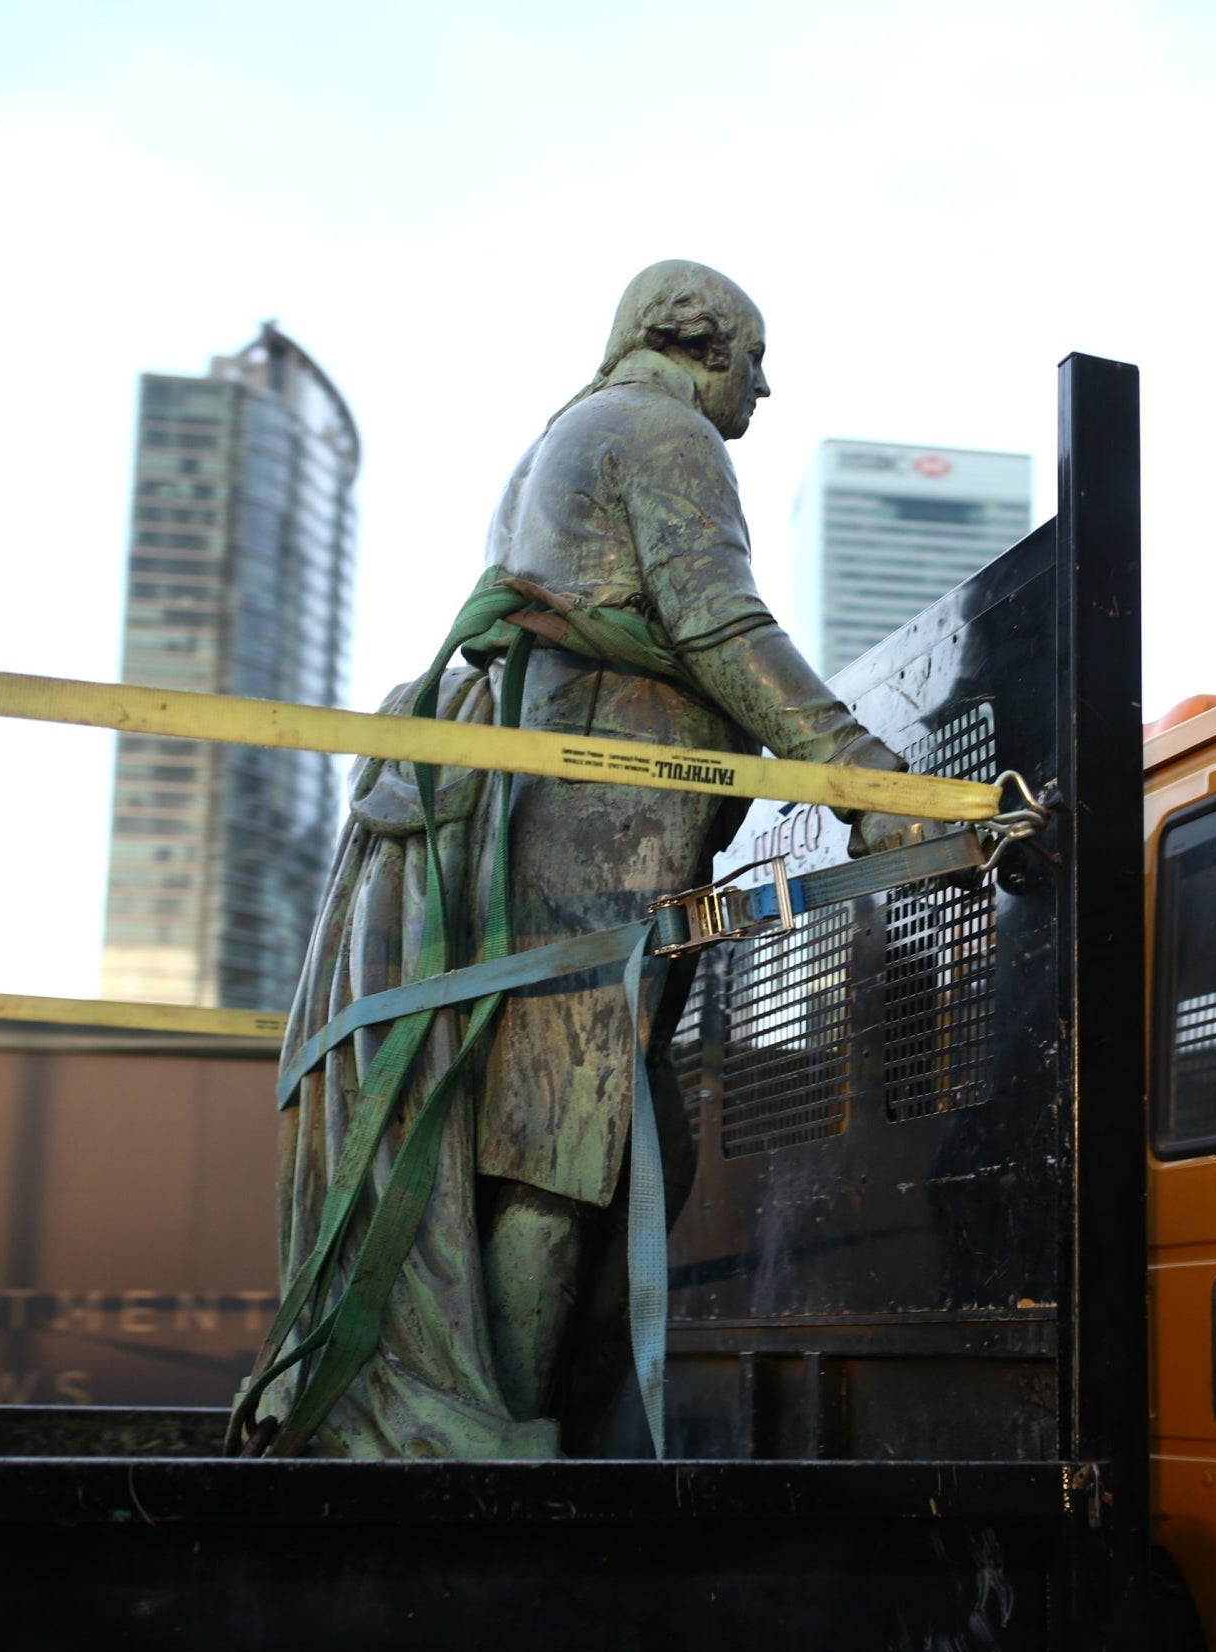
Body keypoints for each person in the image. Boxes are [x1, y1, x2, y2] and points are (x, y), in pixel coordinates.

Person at [261, 261, 919, 1458]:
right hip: (594, 832)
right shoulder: (659, 430)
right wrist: (863, 782)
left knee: (533, 1133)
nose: (764, 389)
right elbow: (720, 623)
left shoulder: (560, 437)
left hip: (549, 818)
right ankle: (488, 1431)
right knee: (562, 1141)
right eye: (755, 358)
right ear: (697, 337)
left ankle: (485, 1411)